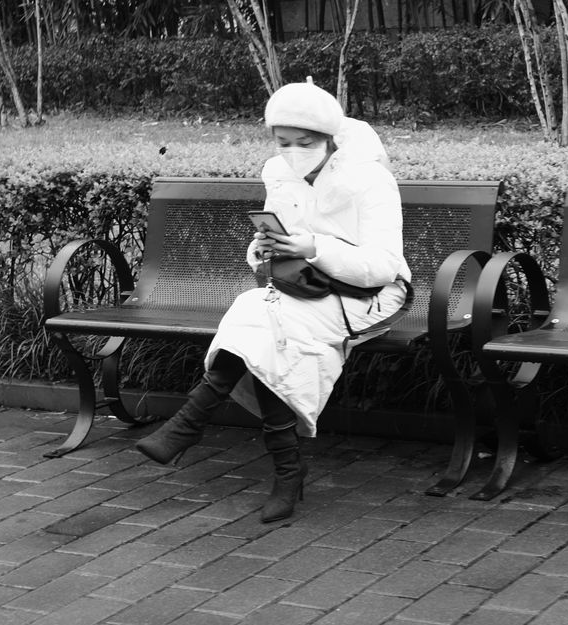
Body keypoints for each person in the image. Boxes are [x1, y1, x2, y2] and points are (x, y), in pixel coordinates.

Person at [135, 78, 410, 523]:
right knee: (256, 313)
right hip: (301, 287)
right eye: (284, 142)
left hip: (371, 295)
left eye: (306, 142)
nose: (294, 151)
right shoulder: (279, 173)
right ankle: (283, 469)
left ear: (330, 139)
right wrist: (262, 248)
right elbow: (270, 240)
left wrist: (312, 248)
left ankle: (193, 425)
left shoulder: (369, 179)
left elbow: (381, 266)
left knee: (270, 325)